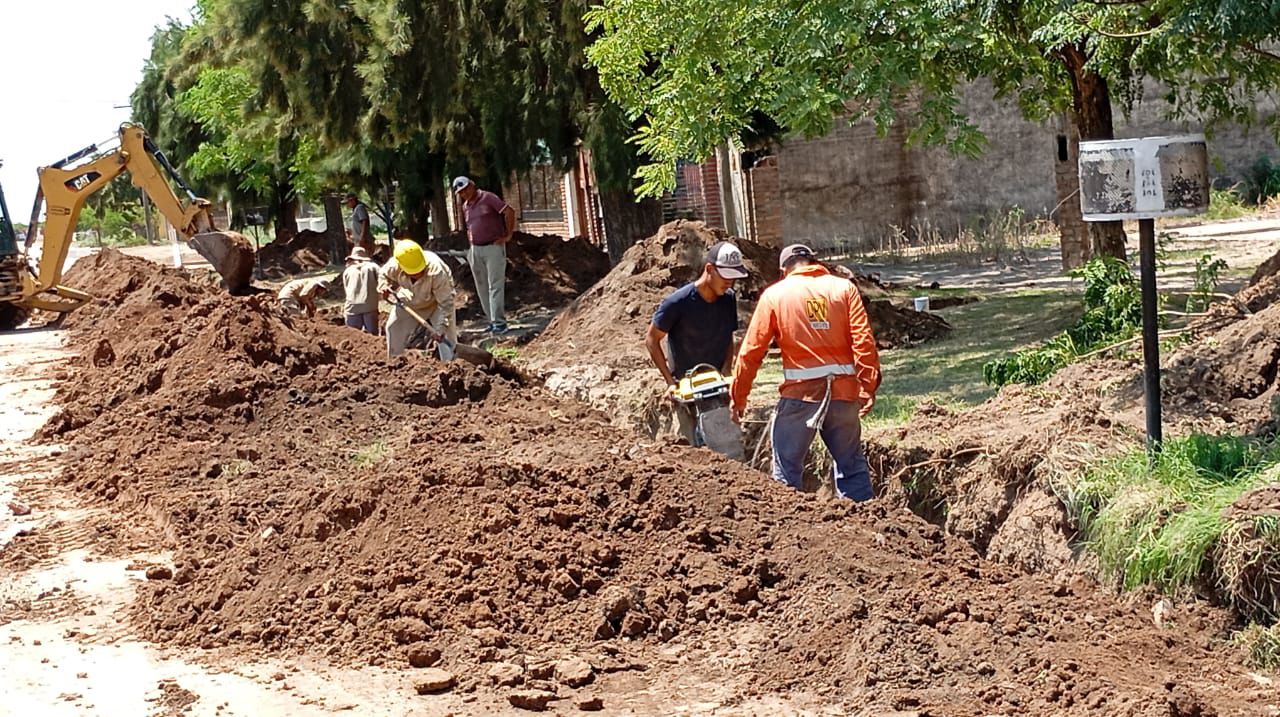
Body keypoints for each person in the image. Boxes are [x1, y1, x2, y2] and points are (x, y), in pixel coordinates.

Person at [730, 244, 881, 501]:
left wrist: (738, 398)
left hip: (800, 397)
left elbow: (751, 352)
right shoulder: (844, 289)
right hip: (844, 396)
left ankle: (790, 522)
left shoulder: (775, 295)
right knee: (852, 466)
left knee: (786, 471)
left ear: (784, 269)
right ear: (813, 262)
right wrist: (867, 387)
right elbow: (864, 341)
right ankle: (866, 519)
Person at [645, 241, 748, 456]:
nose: (730, 282)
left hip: (717, 383)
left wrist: (727, 369)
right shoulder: (678, 302)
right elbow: (652, 340)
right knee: (692, 451)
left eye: (733, 277)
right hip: (686, 385)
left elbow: (728, 335)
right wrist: (670, 382)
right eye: (726, 276)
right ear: (709, 269)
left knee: (728, 445)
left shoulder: (728, 299)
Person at [452, 176, 516, 334]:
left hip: (493, 247)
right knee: (482, 287)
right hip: (475, 249)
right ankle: (491, 321)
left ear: (472, 185)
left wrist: (508, 235)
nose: (465, 193)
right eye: (461, 192)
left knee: (495, 285)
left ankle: (499, 323)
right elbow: (470, 226)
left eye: (466, 189)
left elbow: (509, 211)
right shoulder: (466, 206)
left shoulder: (488, 198)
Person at [378, 239, 456, 358]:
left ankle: (451, 363)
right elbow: (383, 275)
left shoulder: (437, 270)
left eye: (420, 270)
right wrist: (383, 286)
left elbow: (446, 304)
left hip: (437, 303)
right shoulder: (395, 265)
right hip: (410, 299)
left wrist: (440, 328)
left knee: (446, 338)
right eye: (414, 273)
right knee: (393, 328)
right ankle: (395, 361)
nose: (418, 273)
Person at [341, 246, 380, 335]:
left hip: (352, 307)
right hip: (369, 306)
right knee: (372, 336)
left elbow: (346, 289)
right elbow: (382, 280)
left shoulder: (347, 271)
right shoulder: (373, 267)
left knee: (353, 336)